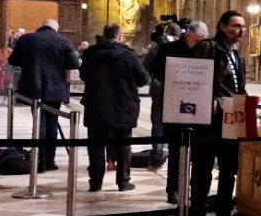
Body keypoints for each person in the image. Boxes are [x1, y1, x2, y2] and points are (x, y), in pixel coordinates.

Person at [188, 11, 248, 216]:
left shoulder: (237, 55)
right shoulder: (208, 48)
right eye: (235, 26)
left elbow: (236, 85)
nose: (241, 30)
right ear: (222, 26)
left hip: (231, 117)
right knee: (203, 171)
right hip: (210, 119)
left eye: (243, 26)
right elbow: (196, 77)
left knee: (229, 169)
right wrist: (207, 97)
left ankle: (224, 215)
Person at [80, 23, 149, 192]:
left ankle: (95, 182)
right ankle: (123, 181)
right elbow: (143, 80)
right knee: (124, 144)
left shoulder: (91, 54)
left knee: (96, 145)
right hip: (123, 106)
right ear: (120, 36)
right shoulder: (129, 55)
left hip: (96, 105)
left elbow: (83, 75)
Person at [9, 19, 80, 171]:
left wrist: (30, 62)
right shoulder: (63, 41)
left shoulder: (27, 39)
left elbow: (13, 60)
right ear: (56, 28)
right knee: (52, 123)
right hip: (55, 89)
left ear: (41, 26)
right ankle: (49, 161)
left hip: (33, 87)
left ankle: (38, 161)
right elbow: (74, 63)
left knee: (39, 121)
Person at [154, 21, 209, 206]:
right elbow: (158, 72)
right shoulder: (168, 49)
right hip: (175, 104)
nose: (202, 44)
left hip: (198, 106)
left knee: (199, 153)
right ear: (188, 36)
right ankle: (173, 189)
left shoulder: (206, 50)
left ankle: (194, 189)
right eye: (198, 40)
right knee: (176, 151)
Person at [143, 21, 182, 163]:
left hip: (159, 90)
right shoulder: (184, 47)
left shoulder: (157, 47)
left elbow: (146, 65)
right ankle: (177, 154)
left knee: (158, 124)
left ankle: (157, 153)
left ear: (166, 32)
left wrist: (154, 77)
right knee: (178, 124)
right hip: (179, 91)